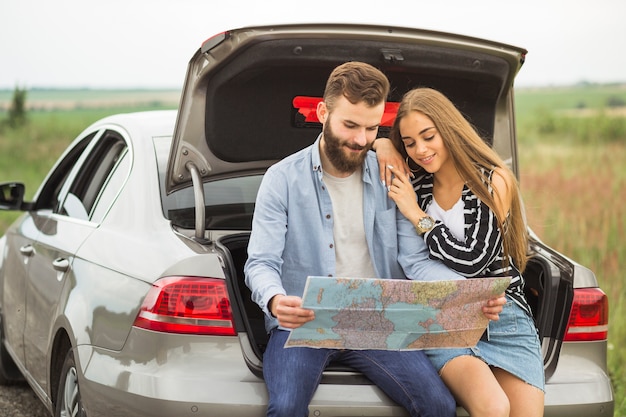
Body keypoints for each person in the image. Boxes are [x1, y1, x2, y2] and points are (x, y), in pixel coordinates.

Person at [244, 62, 504, 417]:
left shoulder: (390, 177)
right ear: (323, 112)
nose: (361, 140)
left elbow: (414, 261)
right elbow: (261, 262)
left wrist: (467, 294)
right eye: (350, 125)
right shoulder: (282, 179)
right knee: (287, 407)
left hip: (377, 323)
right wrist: (275, 300)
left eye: (372, 128)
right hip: (304, 325)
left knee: (439, 406)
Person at [379, 87, 545, 417]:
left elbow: (475, 260)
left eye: (428, 136)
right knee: (494, 408)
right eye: (410, 143)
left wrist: (417, 215)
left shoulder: (491, 179)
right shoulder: (420, 185)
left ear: (449, 129)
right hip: (446, 318)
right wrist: (383, 143)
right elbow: (415, 260)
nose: (420, 150)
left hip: (504, 317)